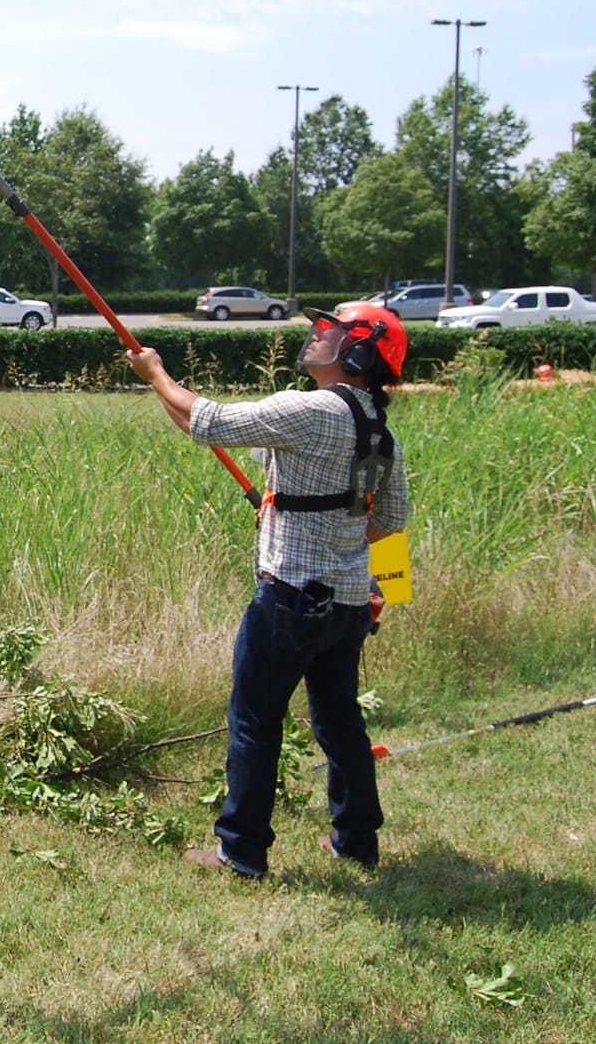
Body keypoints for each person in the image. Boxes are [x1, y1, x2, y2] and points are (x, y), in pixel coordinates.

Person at [126, 303, 409, 878]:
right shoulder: (380, 429)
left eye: (328, 331)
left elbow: (207, 422)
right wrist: (333, 538)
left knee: (256, 721)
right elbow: (389, 523)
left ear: (357, 353)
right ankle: (357, 841)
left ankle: (242, 851)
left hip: (290, 601)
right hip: (350, 603)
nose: (314, 336)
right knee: (339, 721)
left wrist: (154, 373)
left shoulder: (311, 410)